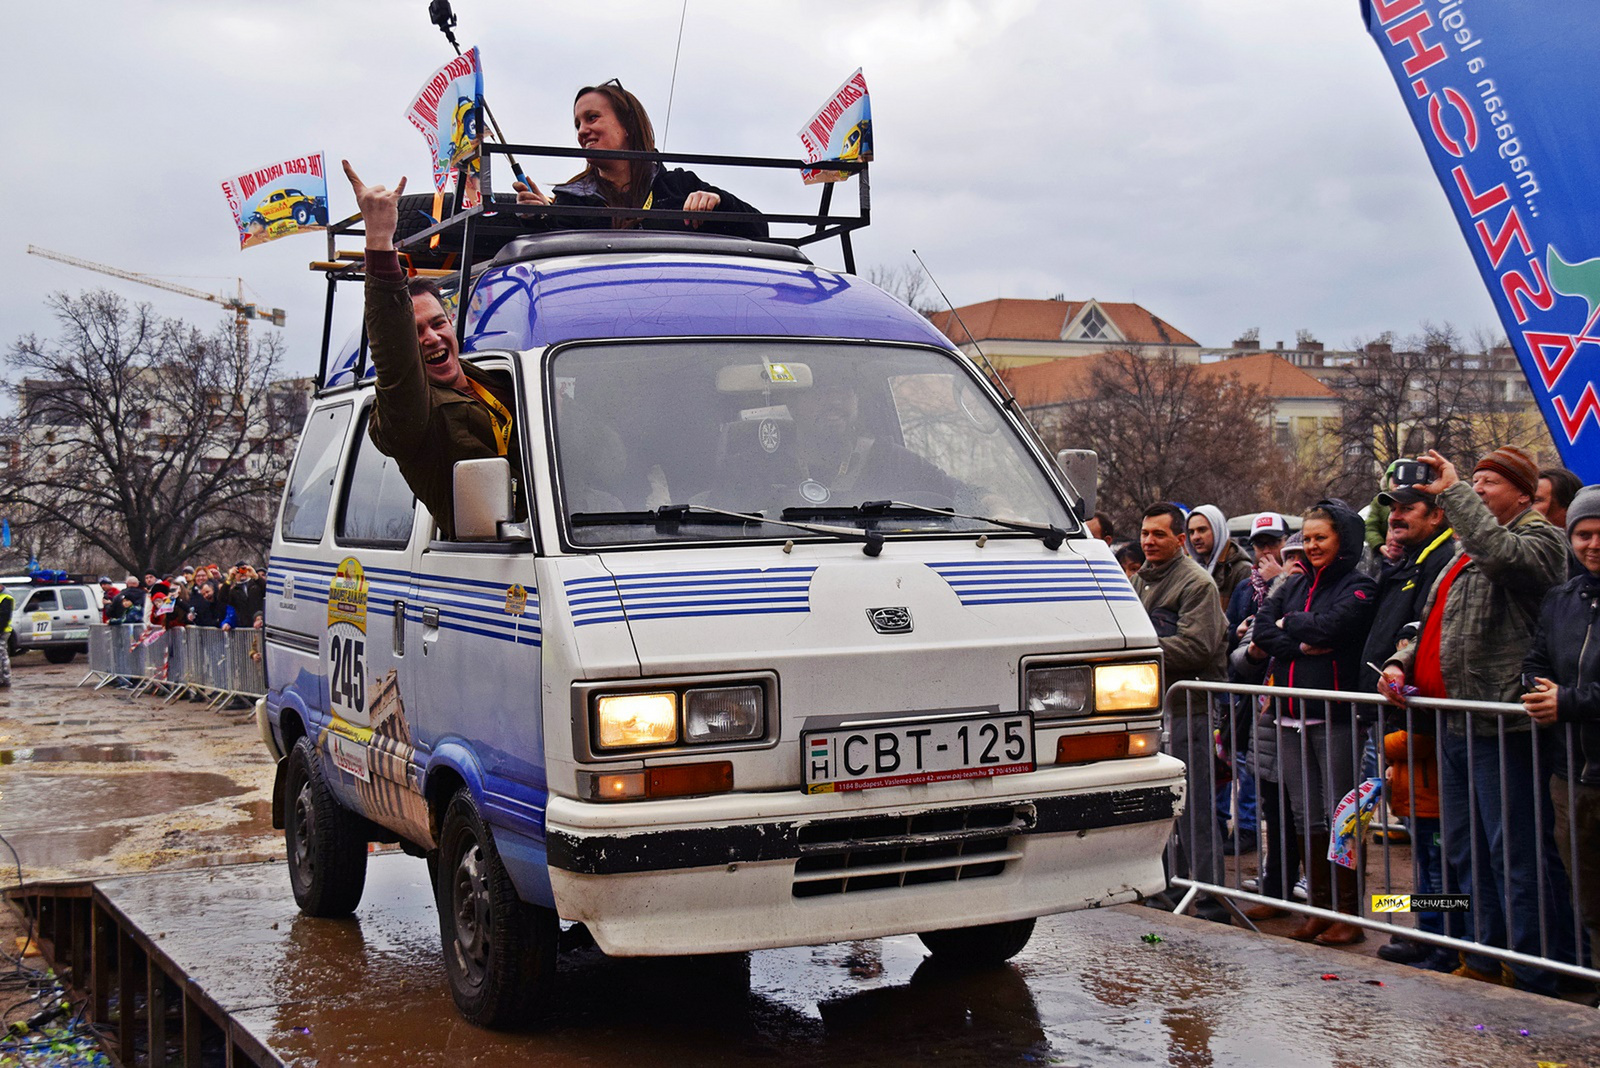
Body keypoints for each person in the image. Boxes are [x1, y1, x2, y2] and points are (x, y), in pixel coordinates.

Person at [1379, 445, 1575, 994]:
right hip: (1453, 724)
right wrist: (1398, 664)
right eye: (1476, 481)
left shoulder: (1540, 541)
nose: (1478, 488)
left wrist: (1455, 490)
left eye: (1488, 482)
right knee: (1465, 850)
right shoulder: (1462, 555)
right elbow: (1423, 626)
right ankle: (1482, 956)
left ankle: (1534, 970)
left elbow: (1503, 556)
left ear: (1521, 491)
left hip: (1503, 728)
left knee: (1511, 851)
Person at [343, 161, 522, 540]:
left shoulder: (502, 378)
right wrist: (379, 240)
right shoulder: (411, 415)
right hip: (495, 560)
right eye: (416, 332)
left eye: (438, 324)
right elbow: (395, 363)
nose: (432, 337)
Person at [1250, 500, 1377, 946]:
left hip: (1333, 717)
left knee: (1340, 815)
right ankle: (1319, 908)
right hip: (1288, 713)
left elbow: (1332, 628)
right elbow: (1263, 630)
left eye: (1321, 537)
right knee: (1305, 814)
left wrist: (1295, 625)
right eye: (1306, 537)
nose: (1311, 545)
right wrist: (1298, 644)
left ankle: (1351, 913)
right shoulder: (1296, 580)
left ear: (1342, 539)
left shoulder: (1360, 584)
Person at [1356, 485, 1457, 967]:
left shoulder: (1441, 562)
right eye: (1391, 510)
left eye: (1407, 509)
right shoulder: (1407, 564)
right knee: (1420, 841)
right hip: (1399, 723)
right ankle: (1425, 929)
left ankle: (1440, 936)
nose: (1395, 518)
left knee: (1435, 844)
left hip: (1425, 725)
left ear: (1437, 515)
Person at [1134, 502, 1230, 924]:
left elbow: (1197, 647)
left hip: (1190, 710)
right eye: (1145, 534)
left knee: (1195, 809)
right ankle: (1163, 888)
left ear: (1179, 540)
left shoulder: (1196, 583)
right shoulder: (1138, 580)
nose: (1149, 541)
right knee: (1158, 805)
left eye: (1159, 534)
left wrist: (1139, 652)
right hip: (1152, 710)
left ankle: (1211, 900)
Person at [514, 82, 767, 240]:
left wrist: (719, 203)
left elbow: (759, 230)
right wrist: (540, 218)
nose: (581, 131)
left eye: (592, 118)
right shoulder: (571, 200)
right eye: (578, 124)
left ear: (628, 126)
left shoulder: (679, 184)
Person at [1522, 484, 1600, 968]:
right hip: (1571, 778)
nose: (1593, 544)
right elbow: (1535, 660)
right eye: (1584, 534)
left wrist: (1566, 702)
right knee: (1590, 902)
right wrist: (1537, 688)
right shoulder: (1560, 599)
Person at [1187, 505, 1251, 607]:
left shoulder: (1241, 570)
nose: (1195, 537)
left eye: (1202, 530)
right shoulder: (1191, 571)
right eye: (1191, 532)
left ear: (1217, 530)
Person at [0, 583, 12, 689]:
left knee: (2, 655)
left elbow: (4, 617)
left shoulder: (6, 597)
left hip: (2, 631)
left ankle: (5, 679)